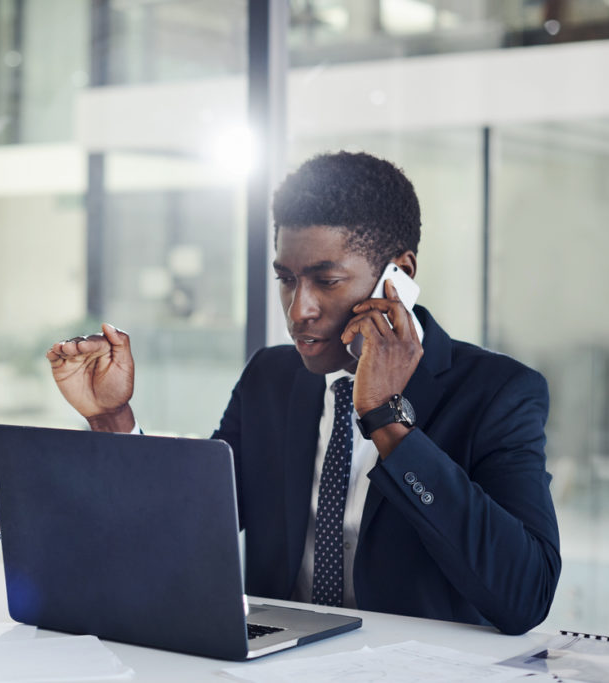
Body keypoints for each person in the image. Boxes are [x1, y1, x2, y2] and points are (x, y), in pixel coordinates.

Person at [46, 151, 560, 635]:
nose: (298, 310)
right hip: (272, 664)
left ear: (398, 276)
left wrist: (387, 420)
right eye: (287, 279)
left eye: (327, 281)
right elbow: (181, 536)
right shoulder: (271, 377)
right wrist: (114, 418)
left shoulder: (498, 393)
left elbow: (524, 597)